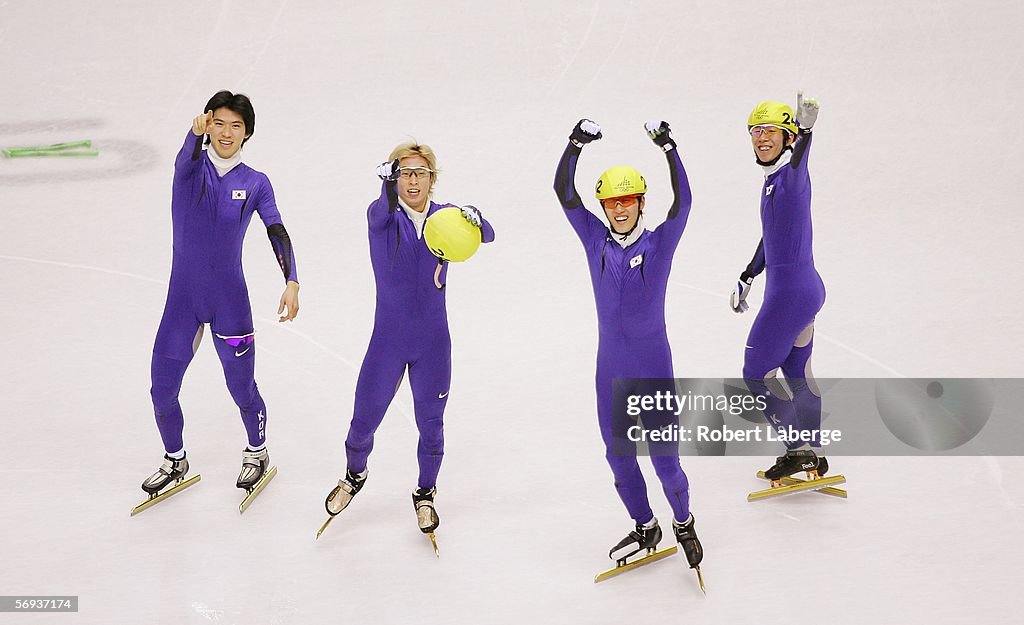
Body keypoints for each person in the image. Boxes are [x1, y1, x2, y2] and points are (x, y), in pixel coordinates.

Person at [323, 142, 494, 538]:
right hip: (388, 341)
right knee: (363, 420)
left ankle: (425, 493)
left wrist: (478, 219)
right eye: (404, 173)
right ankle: (354, 475)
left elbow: (488, 236)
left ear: (432, 179)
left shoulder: (446, 219)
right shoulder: (382, 215)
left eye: (420, 173)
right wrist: (385, 186)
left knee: (431, 425)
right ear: (394, 177)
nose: (412, 180)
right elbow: (380, 209)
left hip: (433, 343)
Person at [553, 119, 702, 572]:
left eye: (628, 201)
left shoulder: (660, 243)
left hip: (654, 368)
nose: (619, 210)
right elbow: (564, 192)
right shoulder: (594, 240)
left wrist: (669, 148)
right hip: (610, 371)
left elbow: (685, 203)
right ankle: (645, 525)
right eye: (612, 202)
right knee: (619, 458)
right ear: (605, 205)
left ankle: (683, 522)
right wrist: (574, 144)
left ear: (641, 203)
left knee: (666, 464)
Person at [142, 90, 299, 499]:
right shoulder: (190, 170)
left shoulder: (256, 183)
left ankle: (257, 451)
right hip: (183, 303)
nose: (227, 133)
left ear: (247, 133)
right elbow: (186, 156)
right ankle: (175, 458)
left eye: (236, 126)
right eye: (220, 123)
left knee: (242, 390)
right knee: (162, 390)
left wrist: (292, 280)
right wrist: (192, 135)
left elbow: (275, 229)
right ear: (207, 124)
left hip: (230, 302)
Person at [730, 92, 828, 482]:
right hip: (804, 291)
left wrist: (805, 131)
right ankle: (815, 453)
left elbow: (802, 159)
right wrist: (749, 274)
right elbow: (771, 235)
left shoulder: (791, 175)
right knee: (797, 372)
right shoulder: (771, 182)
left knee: (756, 374)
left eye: (771, 131)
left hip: (788, 297)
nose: (761, 138)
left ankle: (798, 450)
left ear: (788, 139)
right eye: (755, 132)